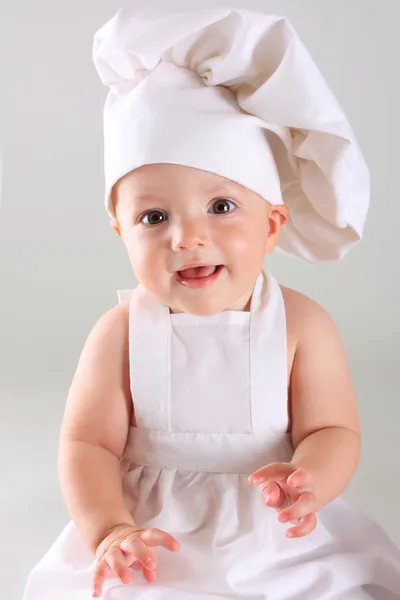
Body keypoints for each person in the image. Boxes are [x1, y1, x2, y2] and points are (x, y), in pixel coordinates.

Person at [22, 7, 400, 600]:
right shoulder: (119, 333)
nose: (186, 237)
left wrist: (310, 481)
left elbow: (332, 429)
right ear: (121, 231)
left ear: (273, 223)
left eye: (221, 207)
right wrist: (110, 527)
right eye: (154, 217)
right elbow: (88, 445)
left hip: (272, 525)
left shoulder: (302, 325)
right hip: (152, 533)